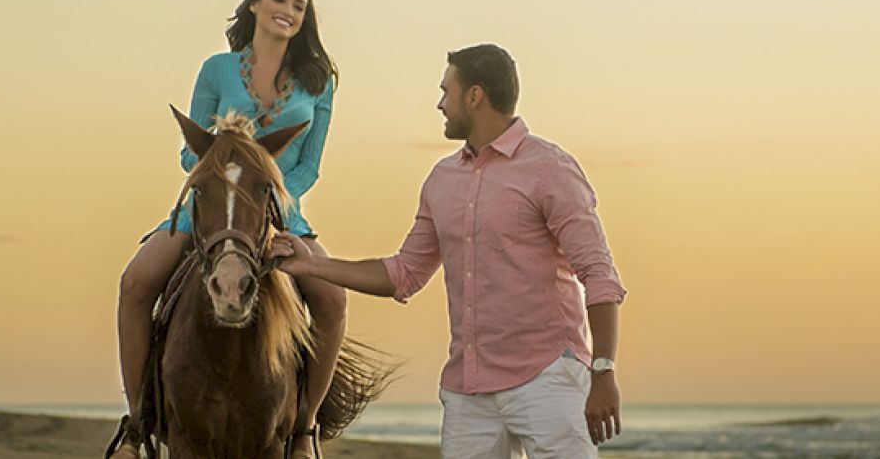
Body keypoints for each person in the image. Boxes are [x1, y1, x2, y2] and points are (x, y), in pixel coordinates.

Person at [269, 44, 629, 458]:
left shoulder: (551, 169)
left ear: (474, 96)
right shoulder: (441, 180)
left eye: (446, 91)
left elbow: (599, 274)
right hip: (468, 392)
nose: (440, 103)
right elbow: (403, 274)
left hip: (548, 379)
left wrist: (603, 371)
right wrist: (311, 265)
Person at [111, 0, 345, 459]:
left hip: (279, 211)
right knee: (135, 283)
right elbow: (187, 155)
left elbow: (309, 166)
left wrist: (278, 206)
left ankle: (304, 430)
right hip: (212, 205)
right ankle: (137, 424)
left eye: (299, 6)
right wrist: (220, 170)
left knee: (331, 299)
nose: (288, 11)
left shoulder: (318, 83)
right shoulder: (216, 70)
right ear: (256, 4)